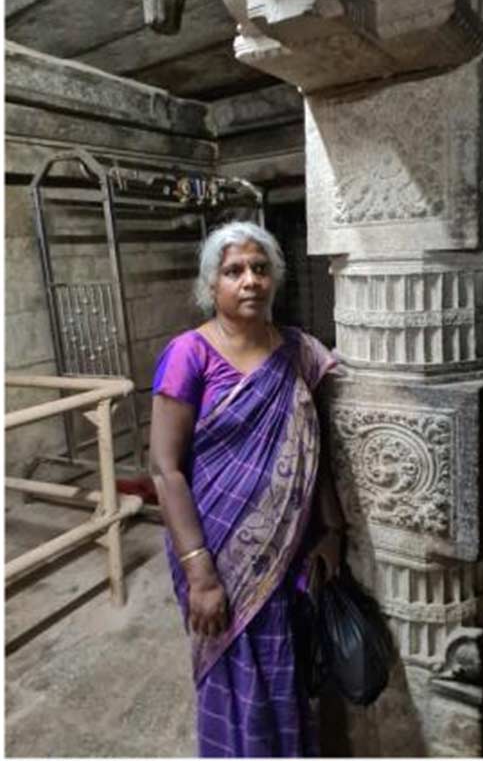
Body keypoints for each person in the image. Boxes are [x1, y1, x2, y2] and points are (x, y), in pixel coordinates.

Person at [149, 220, 344, 757]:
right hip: (216, 550)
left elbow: (314, 452)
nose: (250, 280)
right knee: (231, 672)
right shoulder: (190, 354)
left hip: (288, 551)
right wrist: (200, 571)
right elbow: (166, 469)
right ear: (211, 285)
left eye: (260, 268)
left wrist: (333, 528)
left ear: (275, 278)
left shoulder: (300, 353)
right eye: (233, 271)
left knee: (285, 673)